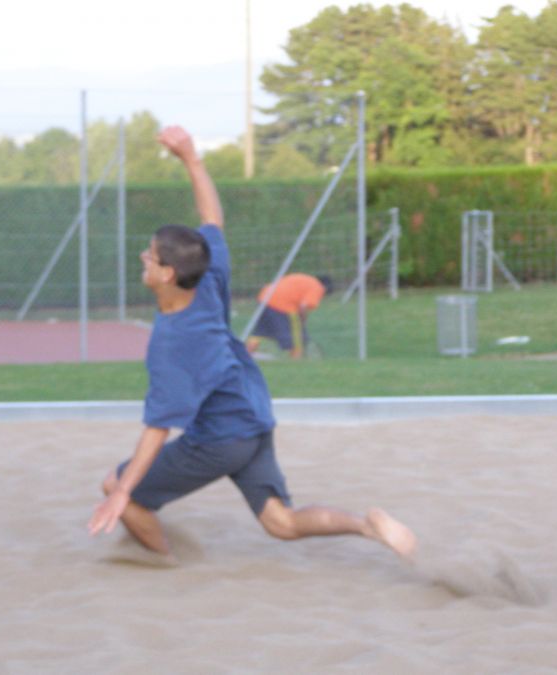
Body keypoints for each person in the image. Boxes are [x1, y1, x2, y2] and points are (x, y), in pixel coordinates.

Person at [88, 126, 416, 562]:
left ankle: (164, 564)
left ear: (167, 274)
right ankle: (366, 525)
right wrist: (191, 158)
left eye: (150, 255)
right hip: (254, 414)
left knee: (115, 486)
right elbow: (212, 219)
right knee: (281, 522)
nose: (143, 258)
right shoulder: (206, 275)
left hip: (220, 438)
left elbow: (157, 428)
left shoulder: (173, 345)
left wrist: (121, 492)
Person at [246, 273, 333, 359]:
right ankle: (296, 359)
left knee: (260, 331)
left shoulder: (302, 278)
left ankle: (247, 354)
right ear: (325, 288)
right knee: (297, 336)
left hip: (264, 298)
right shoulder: (317, 287)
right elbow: (303, 306)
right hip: (283, 305)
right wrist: (302, 320)